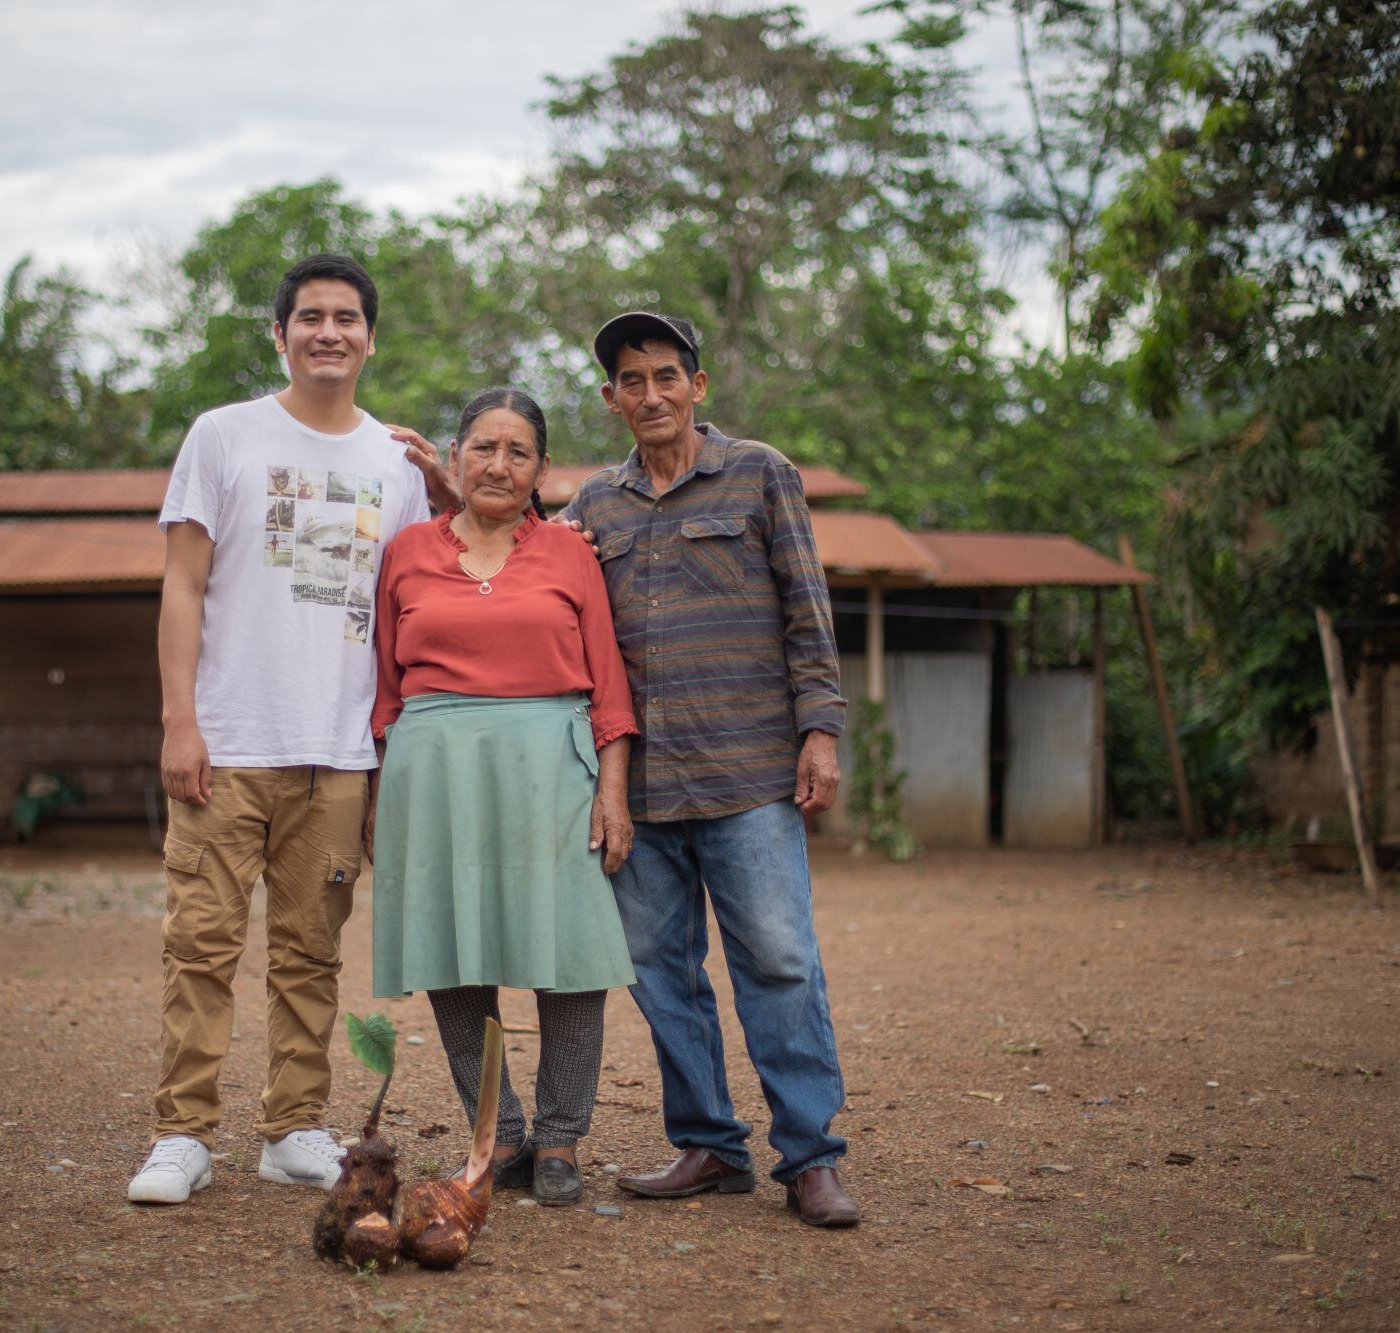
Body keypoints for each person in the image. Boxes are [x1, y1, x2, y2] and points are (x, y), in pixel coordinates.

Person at [128, 254, 449, 1205]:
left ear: (370, 337)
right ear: (280, 334)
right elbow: (182, 584)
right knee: (202, 944)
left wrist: (391, 750)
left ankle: (293, 1127)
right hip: (230, 743)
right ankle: (182, 1134)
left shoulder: (393, 464)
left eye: (347, 318)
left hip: (341, 752)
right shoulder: (224, 437)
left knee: (312, 951)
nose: (328, 332)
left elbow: (414, 603)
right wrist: (179, 721)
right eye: (308, 316)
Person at [563, 312, 861, 1228]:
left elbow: (809, 614)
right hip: (639, 789)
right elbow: (522, 568)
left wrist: (820, 731)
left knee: (777, 961)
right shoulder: (590, 507)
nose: (649, 394)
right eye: (630, 380)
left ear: (699, 385)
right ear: (611, 398)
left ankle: (809, 1157)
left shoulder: (761, 473)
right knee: (659, 968)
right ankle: (707, 1143)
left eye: (665, 376)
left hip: (748, 775)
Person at [369, 387, 639, 1207]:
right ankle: (500, 1130)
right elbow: (384, 688)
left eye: (518, 451)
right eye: (483, 447)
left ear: (542, 470)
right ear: (454, 459)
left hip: (554, 769)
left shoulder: (568, 554)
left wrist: (614, 792)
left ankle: (560, 1137)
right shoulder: (406, 550)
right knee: (453, 954)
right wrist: (380, 796)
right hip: (434, 770)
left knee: (572, 958)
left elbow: (611, 689)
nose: (498, 464)